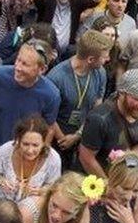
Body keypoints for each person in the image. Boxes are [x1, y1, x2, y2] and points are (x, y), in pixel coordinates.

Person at [0, 40, 60, 151]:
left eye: (25, 64)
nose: (18, 68)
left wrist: (40, 154)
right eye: (18, 60)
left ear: (42, 69)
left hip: (22, 151)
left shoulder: (51, 94)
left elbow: (49, 128)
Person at [46, 31, 112, 164]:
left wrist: (78, 135)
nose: (108, 59)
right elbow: (48, 114)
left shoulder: (100, 73)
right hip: (57, 139)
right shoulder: (56, 77)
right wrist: (62, 139)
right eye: (104, 57)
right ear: (91, 59)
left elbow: (97, 107)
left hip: (84, 136)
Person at [76, 69, 138, 177]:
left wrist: (129, 161)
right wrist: (107, 185)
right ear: (122, 93)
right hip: (95, 178)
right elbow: (86, 158)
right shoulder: (99, 119)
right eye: (137, 99)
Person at [0, 115, 62, 202]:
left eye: (35, 145)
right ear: (18, 140)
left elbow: (53, 186)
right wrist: (2, 181)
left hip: (32, 202)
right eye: (25, 144)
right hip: (0, 198)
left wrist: (40, 191)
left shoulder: (53, 159)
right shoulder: (5, 150)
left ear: (43, 143)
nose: (30, 150)